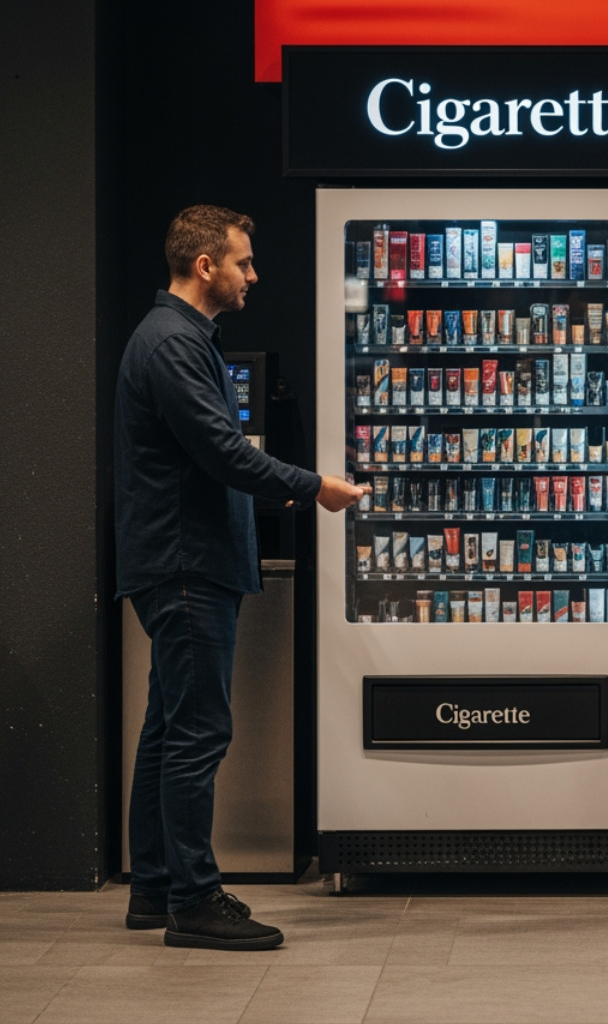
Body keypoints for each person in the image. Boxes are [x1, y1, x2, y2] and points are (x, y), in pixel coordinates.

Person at [115, 205, 367, 949]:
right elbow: (224, 451)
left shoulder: (180, 339)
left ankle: (155, 888)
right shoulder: (171, 345)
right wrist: (313, 485)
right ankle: (194, 901)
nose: (254, 275)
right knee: (198, 732)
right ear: (205, 267)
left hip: (179, 560)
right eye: (244, 262)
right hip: (186, 562)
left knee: (167, 730)